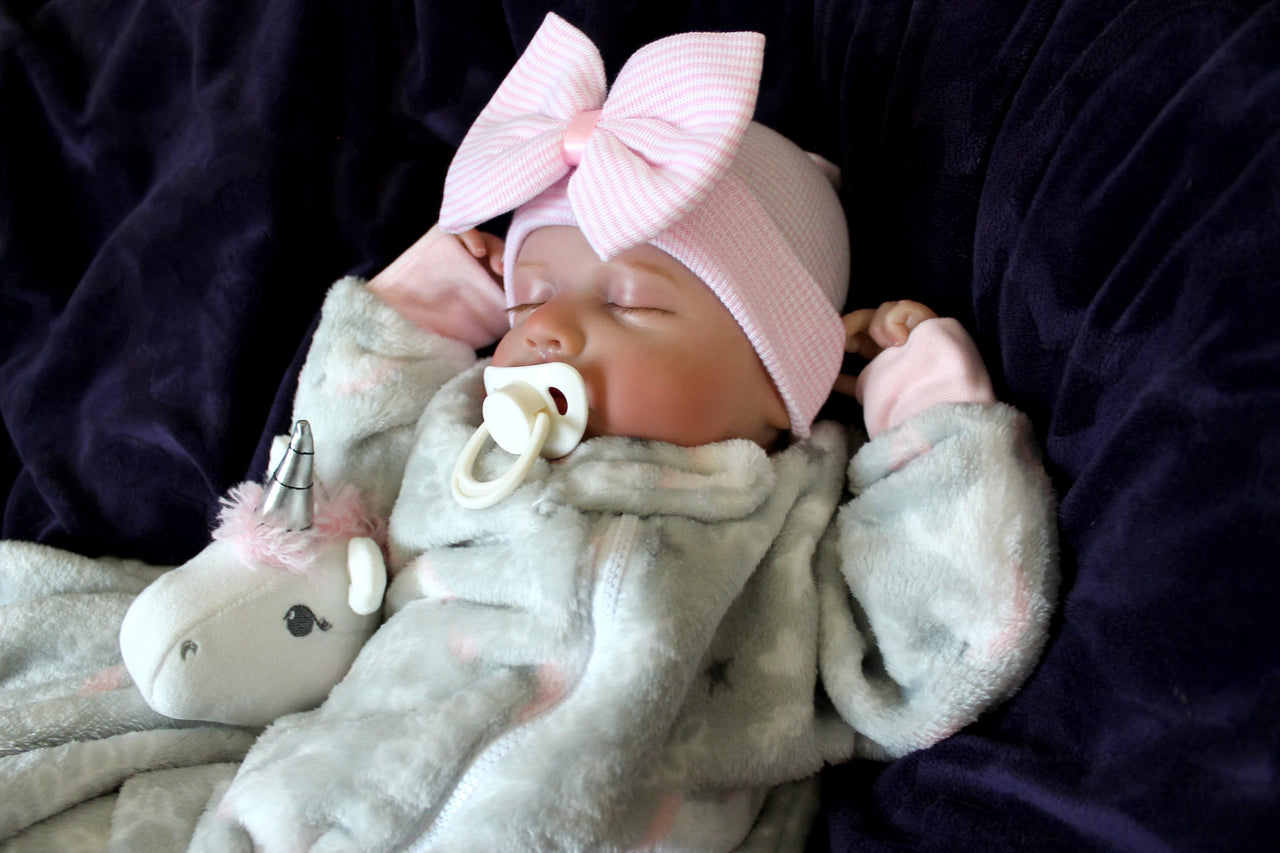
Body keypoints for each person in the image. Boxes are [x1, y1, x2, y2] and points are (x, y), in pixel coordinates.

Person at [191, 13, 1056, 852]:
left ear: (777, 382)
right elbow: (332, 490)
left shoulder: (788, 523)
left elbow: (937, 648)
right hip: (315, 803)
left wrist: (929, 417)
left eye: (629, 301)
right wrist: (417, 313)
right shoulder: (460, 438)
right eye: (527, 301)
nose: (546, 330)